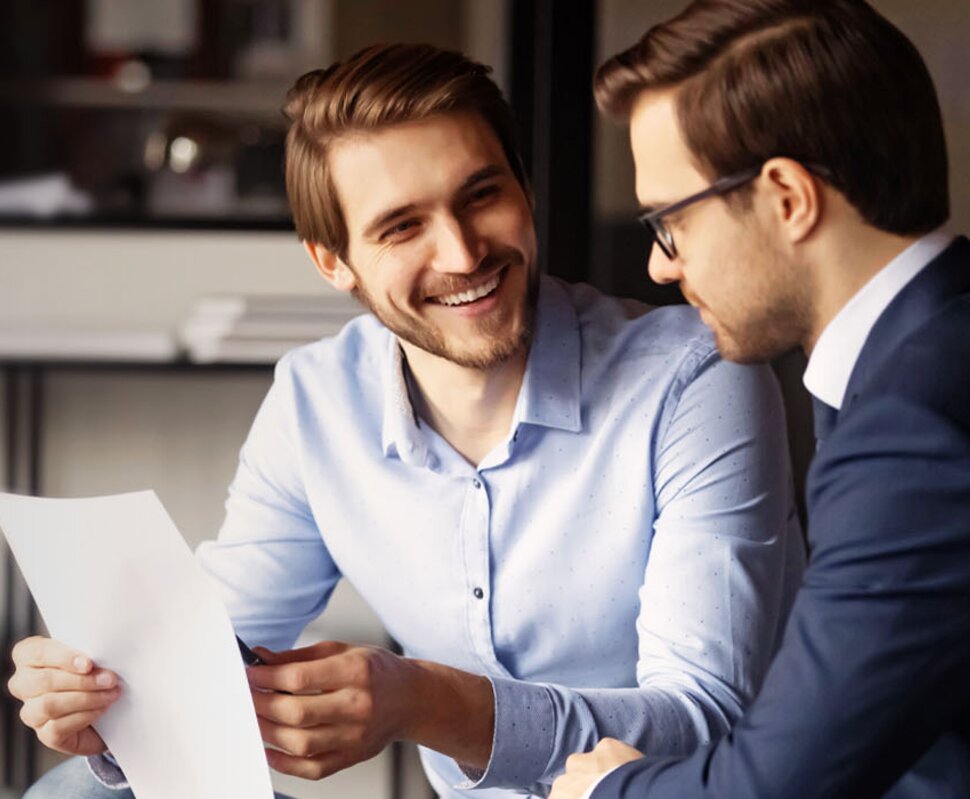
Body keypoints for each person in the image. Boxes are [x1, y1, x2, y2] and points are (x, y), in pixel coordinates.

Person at [8, 43, 804, 799]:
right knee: (84, 789)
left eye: (481, 195)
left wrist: (423, 701)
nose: (461, 254)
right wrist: (107, 709)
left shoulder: (697, 376)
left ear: (523, 188)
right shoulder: (316, 399)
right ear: (333, 260)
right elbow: (204, 659)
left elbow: (707, 722)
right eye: (401, 226)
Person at [550, 1, 970, 798]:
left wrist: (609, 792)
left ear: (787, 196)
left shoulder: (912, 425)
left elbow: (782, 784)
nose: (658, 266)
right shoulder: (926, 348)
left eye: (669, 220)